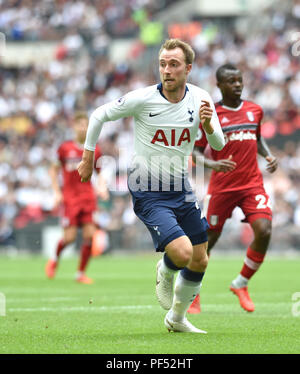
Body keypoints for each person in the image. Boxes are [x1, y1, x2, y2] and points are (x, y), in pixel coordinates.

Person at [78, 39, 225, 333]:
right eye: (162, 64)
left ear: (188, 68)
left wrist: (208, 127)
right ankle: (166, 269)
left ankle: (177, 318)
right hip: (147, 186)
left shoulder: (201, 98)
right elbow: (98, 115)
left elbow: (219, 144)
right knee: (182, 254)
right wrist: (88, 156)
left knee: (200, 258)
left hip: (180, 186)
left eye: (174, 64)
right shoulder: (143, 98)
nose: (167, 70)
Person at [188, 63, 278, 314]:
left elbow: (257, 138)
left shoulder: (254, 110)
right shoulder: (211, 115)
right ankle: (192, 292)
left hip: (252, 184)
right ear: (219, 85)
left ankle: (241, 283)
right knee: (207, 242)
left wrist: (268, 156)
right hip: (223, 187)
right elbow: (195, 153)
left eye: (239, 80)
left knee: (264, 229)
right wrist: (214, 163)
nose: (237, 85)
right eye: (231, 81)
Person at [45, 112, 109, 284]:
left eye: (85, 125)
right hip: (70, 198)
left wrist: (102, 188)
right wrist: (57, 192)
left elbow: (101, 173)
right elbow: (53, 170)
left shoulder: (94, 150)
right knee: (70, 238)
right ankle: (54, 259)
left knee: (90, 234)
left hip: (88, 197)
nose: (83, 128)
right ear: (74, 126)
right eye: (80, 124)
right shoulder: (65, 148)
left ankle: (80, 273)